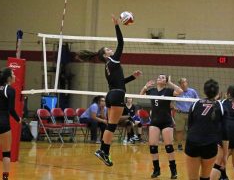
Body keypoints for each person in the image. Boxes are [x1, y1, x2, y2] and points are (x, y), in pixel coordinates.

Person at [77, 15, 142, 166]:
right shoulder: (113, 61)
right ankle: (103, 150)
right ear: (106, 55)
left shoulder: (107, 67)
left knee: (111, 125)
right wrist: (116, 25)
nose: (111, 49)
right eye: (108, 49)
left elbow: (119, 82)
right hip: (117, 95)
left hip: (111, 95)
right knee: (112, 125)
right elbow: (121, 42)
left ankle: (103, 151)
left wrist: (132, 77)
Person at [140, 74, 183, 179]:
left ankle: (173, 171)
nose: (160, 78)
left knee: (169, 147)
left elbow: (180, 91)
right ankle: (156, 170)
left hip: (166, 121)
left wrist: (170, 83)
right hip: (154, 121)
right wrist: (145, 87)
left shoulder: (168, 91)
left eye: (163, 78)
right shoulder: (152, 91)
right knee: (153, 146)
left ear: (165, 81)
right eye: (159, 77)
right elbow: (140, 95)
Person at [185, 79, 227, 180]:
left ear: (204, 91)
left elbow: (189, 126)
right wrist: (225, 154)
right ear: (217, 92)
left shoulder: (195, 104)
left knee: (192, 177)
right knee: (205, 177)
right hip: (210, 144)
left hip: (193, 142)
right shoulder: (221, 106)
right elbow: (225, 133)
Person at [174, 78, 198, 151]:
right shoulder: (176, 92)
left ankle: (191, 144)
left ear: (187, 83)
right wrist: (173, 107)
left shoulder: (192, 91)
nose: (183, 84)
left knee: (191, 130)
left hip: (190, 114)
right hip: (179, 114)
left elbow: (197, 101)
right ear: (180, 84)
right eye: (182, 83)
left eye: (185, 82)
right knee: (179, 130)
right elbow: (168, 101)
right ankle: (179, 145)